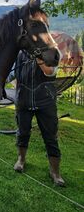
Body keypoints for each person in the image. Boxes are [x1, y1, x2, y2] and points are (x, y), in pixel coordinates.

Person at [13, 50, 65, 186]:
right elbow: (11, 74)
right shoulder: (19, 54)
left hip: (45, 102)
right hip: (23, 101)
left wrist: (39, 58)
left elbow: (50, 72)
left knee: (50, 137)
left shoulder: (52, 52)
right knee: (22, 133)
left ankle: (55, 172)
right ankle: (21, 160)